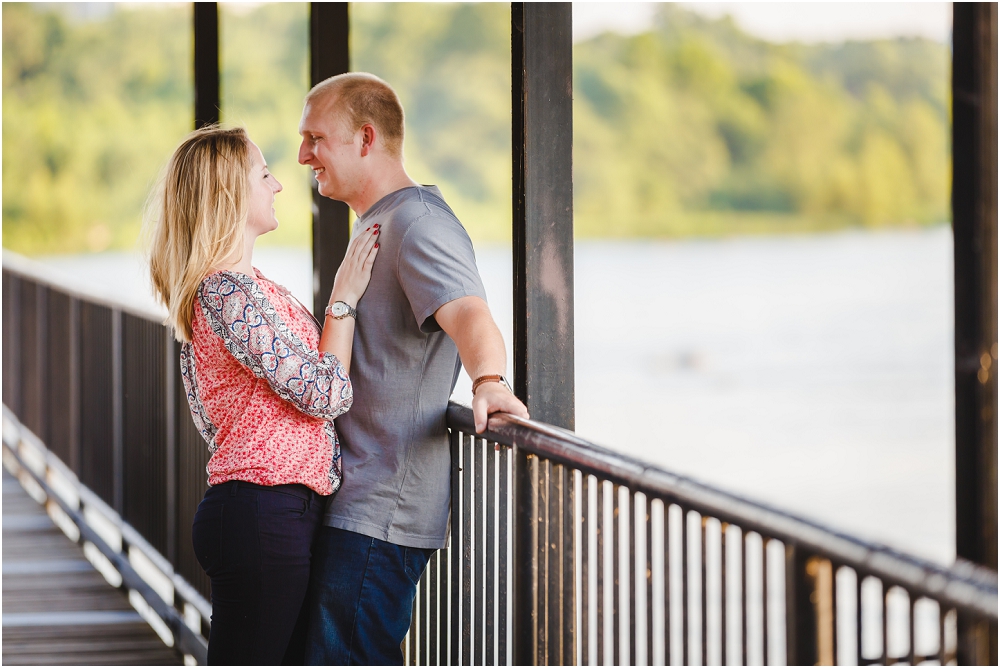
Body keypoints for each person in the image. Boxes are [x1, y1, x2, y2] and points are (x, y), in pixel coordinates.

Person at [297, 73, 529, 665]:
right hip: (355, 505)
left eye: (316, 138)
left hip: (379, 513)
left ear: (366, 138)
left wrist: (490, 382)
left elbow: (470, 314)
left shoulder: (419, 224)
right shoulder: (383, 221)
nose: (303, 156)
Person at [147, 125, 379, 665]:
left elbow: (213, 417)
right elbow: (324, 392)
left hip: (269, 512)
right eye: (264, 173)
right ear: (229, 192)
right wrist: (342, 301)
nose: (277, 186)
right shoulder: (226, 291)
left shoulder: (246, 289)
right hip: (263, 514)